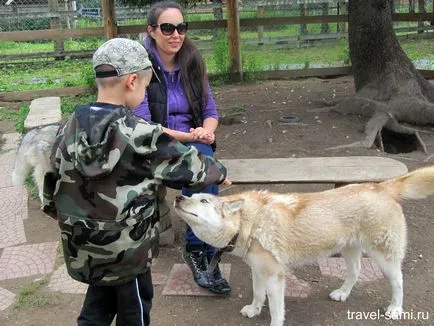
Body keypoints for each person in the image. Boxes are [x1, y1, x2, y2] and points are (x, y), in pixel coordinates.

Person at [42, 37, 230, 325]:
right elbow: (189, 168)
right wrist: (221, 172)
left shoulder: (69, 125)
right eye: (145, 86)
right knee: (135, 310)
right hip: (128, 251)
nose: (145, 92)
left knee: (97, 304)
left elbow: (51, 183)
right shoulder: (139, 133)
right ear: (131, 82)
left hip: (82, 245)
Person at [134, 1, 231, 295]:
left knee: (204, 159)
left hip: (193, 144)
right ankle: (197, 248)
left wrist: (206, 130)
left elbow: (211, 110)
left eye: (181, 27)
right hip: (155, 147)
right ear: (151, 31)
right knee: (204, 164)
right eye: (167, 28)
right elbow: (143, 125)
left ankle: (198, 246)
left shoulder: (192, 61)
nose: (176, 34)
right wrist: (189, 138)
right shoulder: (141, 68)